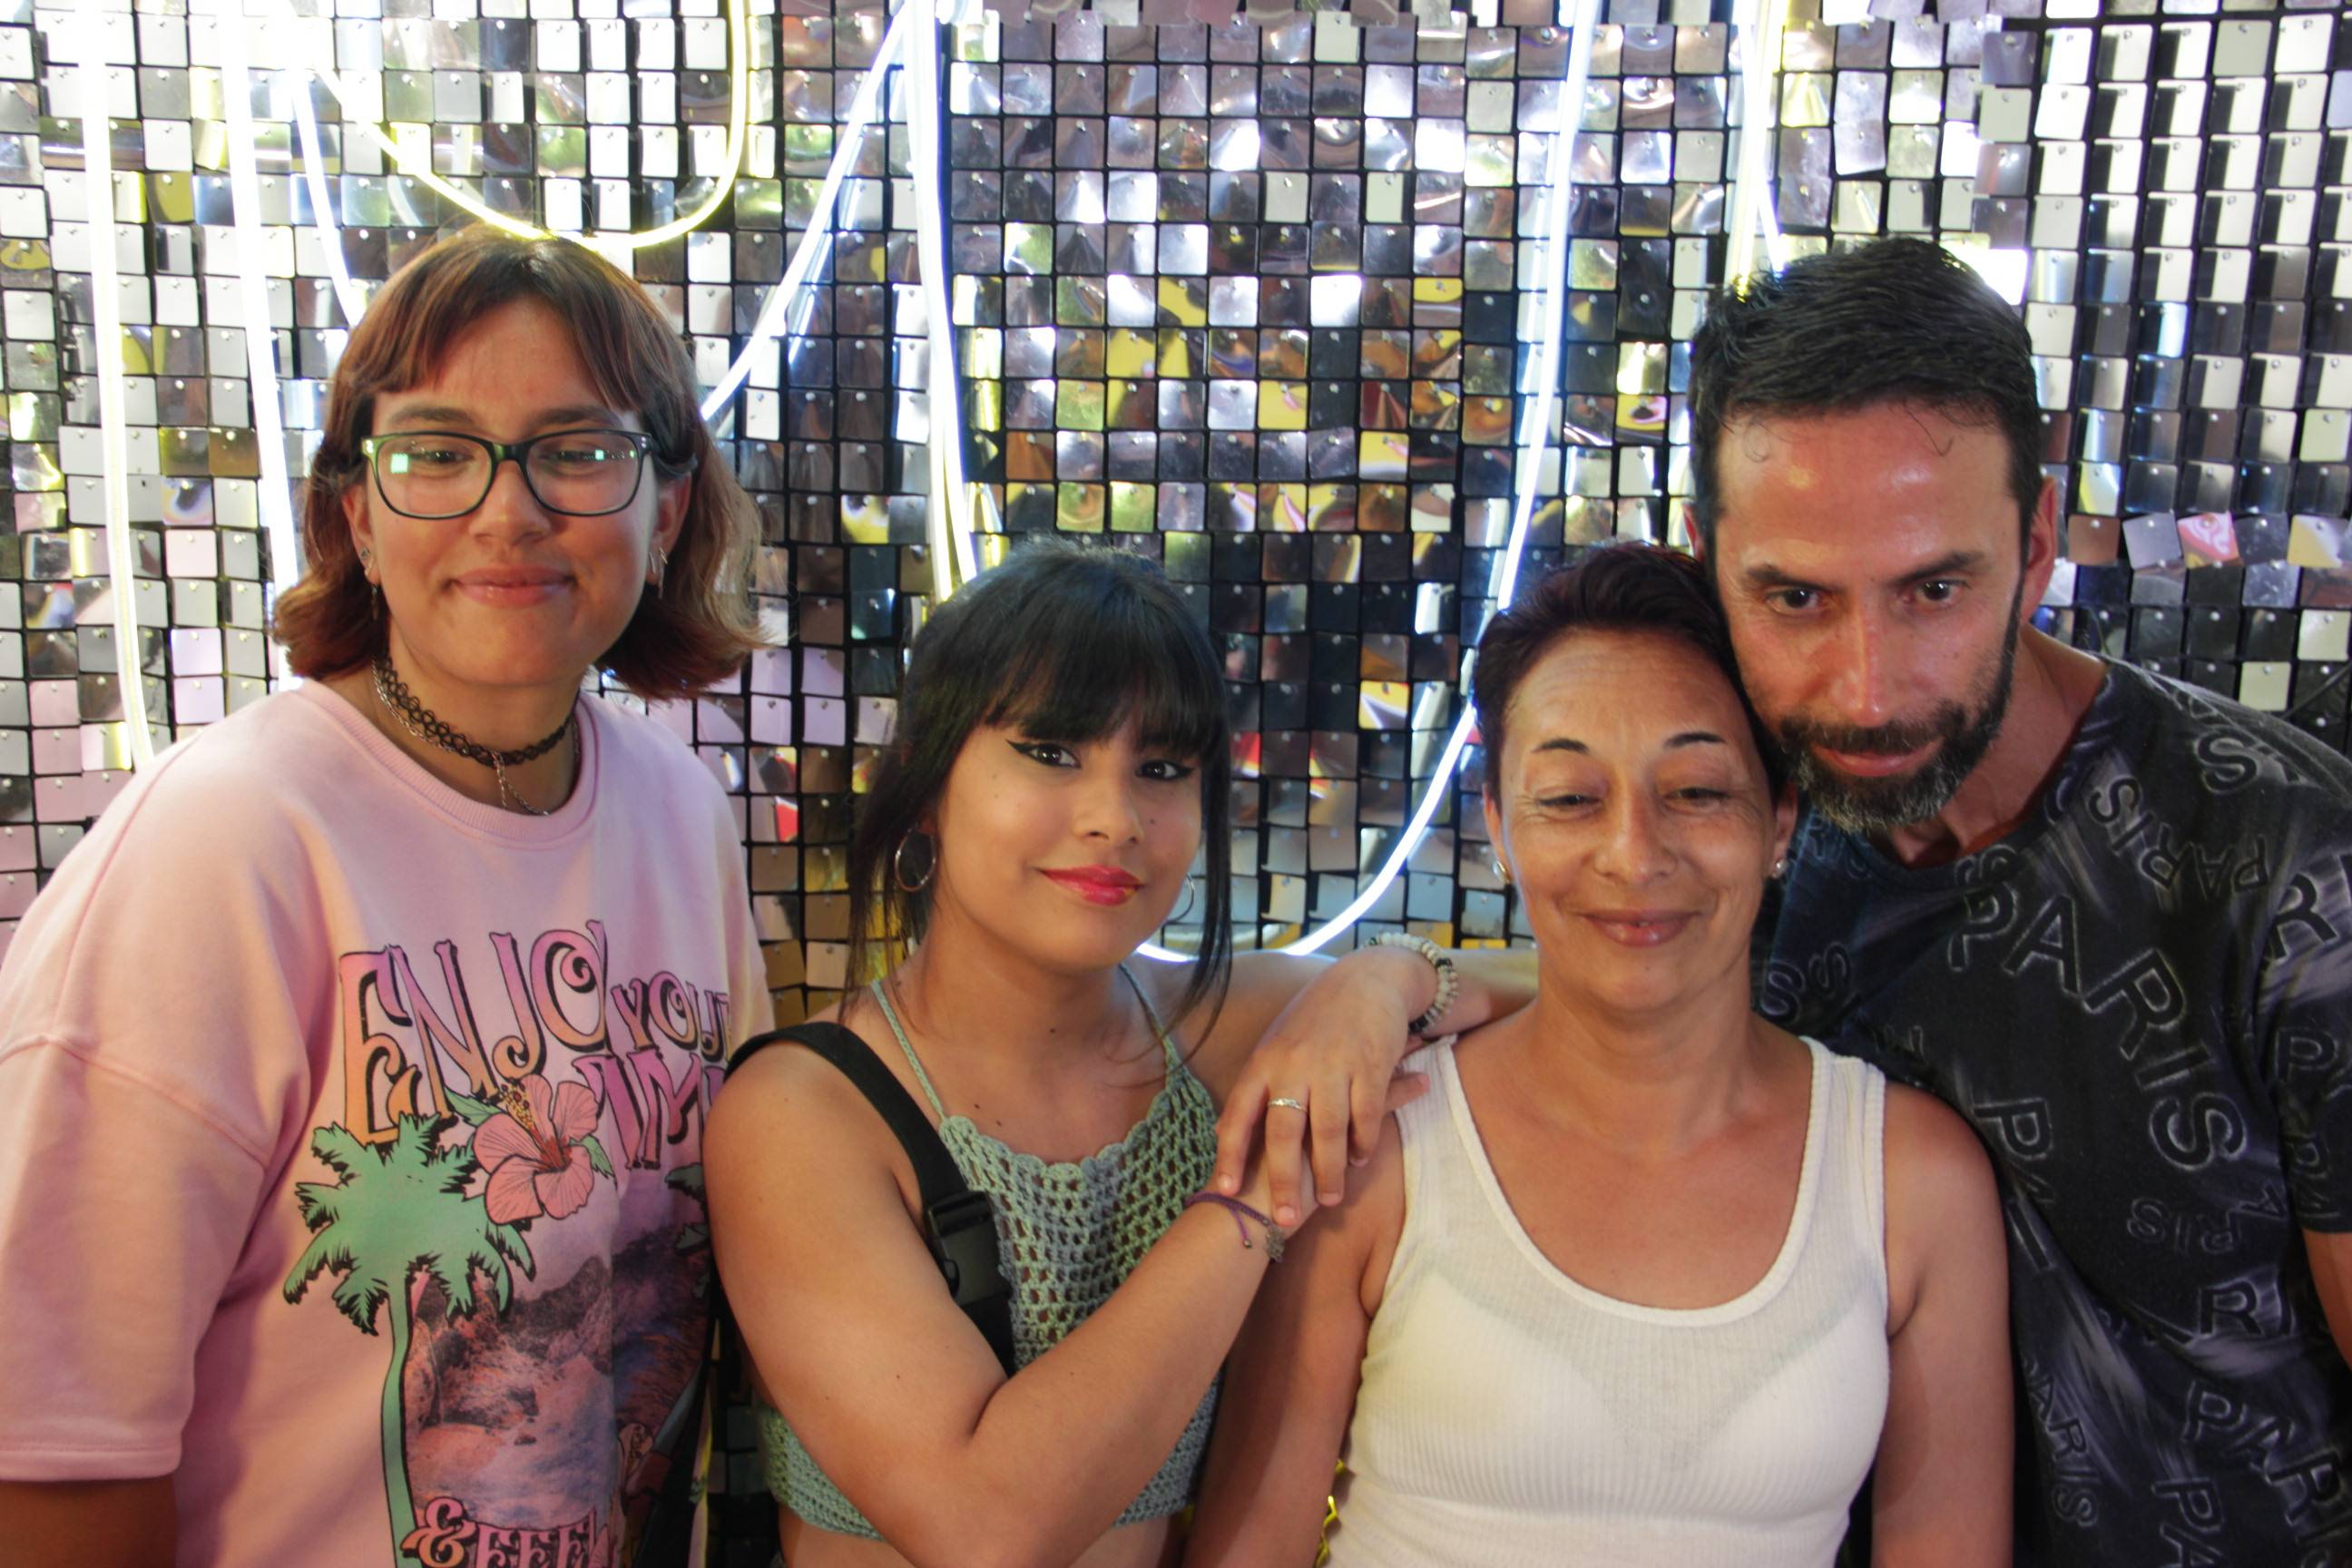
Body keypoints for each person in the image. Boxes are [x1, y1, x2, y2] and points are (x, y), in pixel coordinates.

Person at [0, 226, 772, 1567]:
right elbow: (52, 1444)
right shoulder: (224, 842)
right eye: (435, 452)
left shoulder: (679, 813)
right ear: (356, 514)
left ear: (667, 509)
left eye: (577, 451)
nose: (506, 512)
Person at [1693, 236, 2352, 1566]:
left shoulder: (2293, 867)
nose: (1867, 688)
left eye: (1935, 589)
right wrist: (1400, 986)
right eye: (1796, 598)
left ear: (2038, 545)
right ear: (1708, 557)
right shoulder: (1741, 826)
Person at [703, 538, 1534, 1568]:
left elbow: (1574, 988)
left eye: (1162, 769)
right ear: (926, 780)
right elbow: (986, 1527)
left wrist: (1387, 980)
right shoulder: (805, 1111)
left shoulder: (1221, 1028)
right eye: (1051, 753)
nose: (1115, 819)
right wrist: (1254, 1198)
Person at [1187, 544, 2011, 1568]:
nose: (1634, 854)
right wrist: (1379, 979)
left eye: (1697, 791)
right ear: (1499, 827)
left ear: (1781, 822)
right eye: (1572, 798)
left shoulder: (1911, 1179)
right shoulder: (1379, 1146)